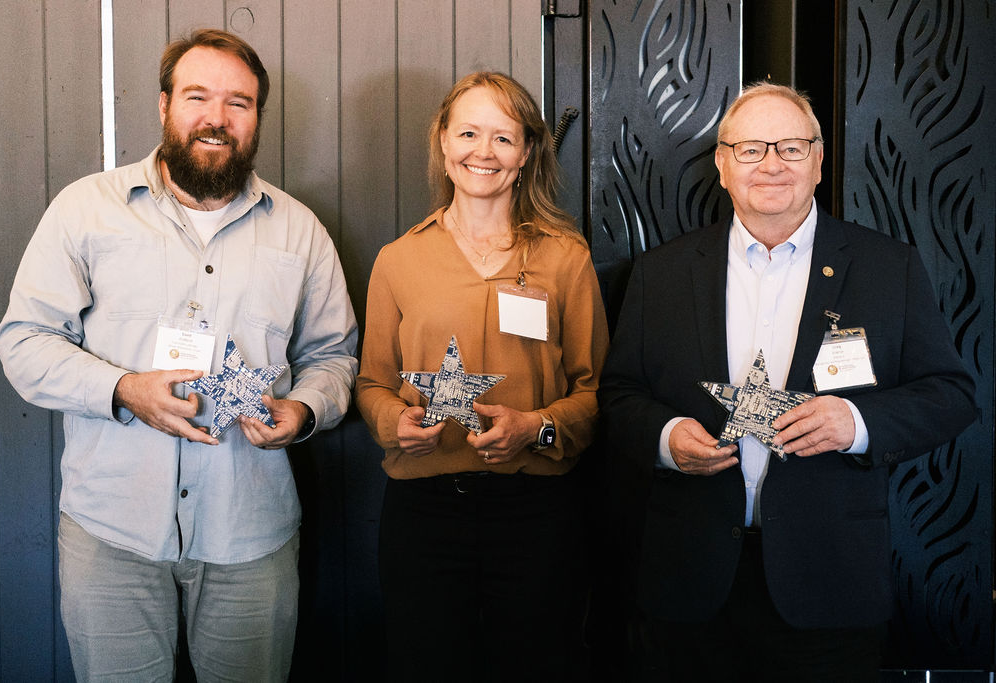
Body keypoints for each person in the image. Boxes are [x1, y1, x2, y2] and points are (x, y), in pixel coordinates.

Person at [0, 29, 357, 682]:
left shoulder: (300, 230)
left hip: (252, 536)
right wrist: (124, 388)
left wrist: (303, 410)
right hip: (111, 536)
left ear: (257, 118)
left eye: (239, 103)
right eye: (197, 96)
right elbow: (22, 342)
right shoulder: (85, 211)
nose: (216, 118)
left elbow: (334, 355)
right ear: (164, 105)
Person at [599, 82, 976, 682]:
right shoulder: (660, 274)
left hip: (829, 586)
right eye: (751, 149)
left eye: (792, 147)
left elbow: (951, 396)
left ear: (819, 161)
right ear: (722, 165)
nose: (771, 163)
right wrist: (666, 438)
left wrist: (854, 423)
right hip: (691, 584)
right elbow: (618, 397)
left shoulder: (888, 268)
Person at [355, 71, 609, 682]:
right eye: (468, 132)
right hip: (424, 515)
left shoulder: (564, 257)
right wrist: (395, 425)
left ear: (526, 153)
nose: (483, 152)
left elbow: (597, 392)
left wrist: (537, 428)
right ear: (443, 143)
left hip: (537, 516)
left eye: (503, 137)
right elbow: (371, 385)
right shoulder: (399, 259)